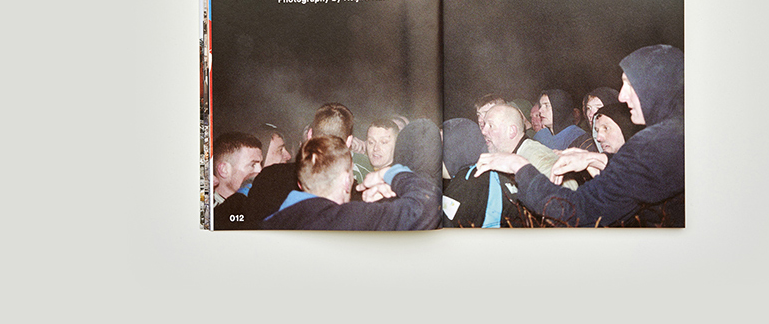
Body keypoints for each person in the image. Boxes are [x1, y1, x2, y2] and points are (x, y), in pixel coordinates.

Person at [474, 45, 685, 227]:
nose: (622, 96)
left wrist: (519, 167)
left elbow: (577, 212)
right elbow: (644, 175)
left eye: (630, 84)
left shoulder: (655, 143)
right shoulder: (678, 133)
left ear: (657, 85)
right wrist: (600, 159)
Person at [261, 135, 440, 230]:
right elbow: (429, 204)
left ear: (300, 184)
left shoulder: (267, 225)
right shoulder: (352, 218)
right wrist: (392, 174)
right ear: (347, 181)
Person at [443, 104, 576, 228]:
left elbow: (569, 195)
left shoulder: (535, 155)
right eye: (484, 125)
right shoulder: (506, 155)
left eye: (491, 126)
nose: (483, 131)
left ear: (511, 131)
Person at [212, 132, 264, 230]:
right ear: (224, 170)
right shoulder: (209, 213)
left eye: (261, 164)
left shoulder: (256, 204)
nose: (260, 171)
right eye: (252, 165)